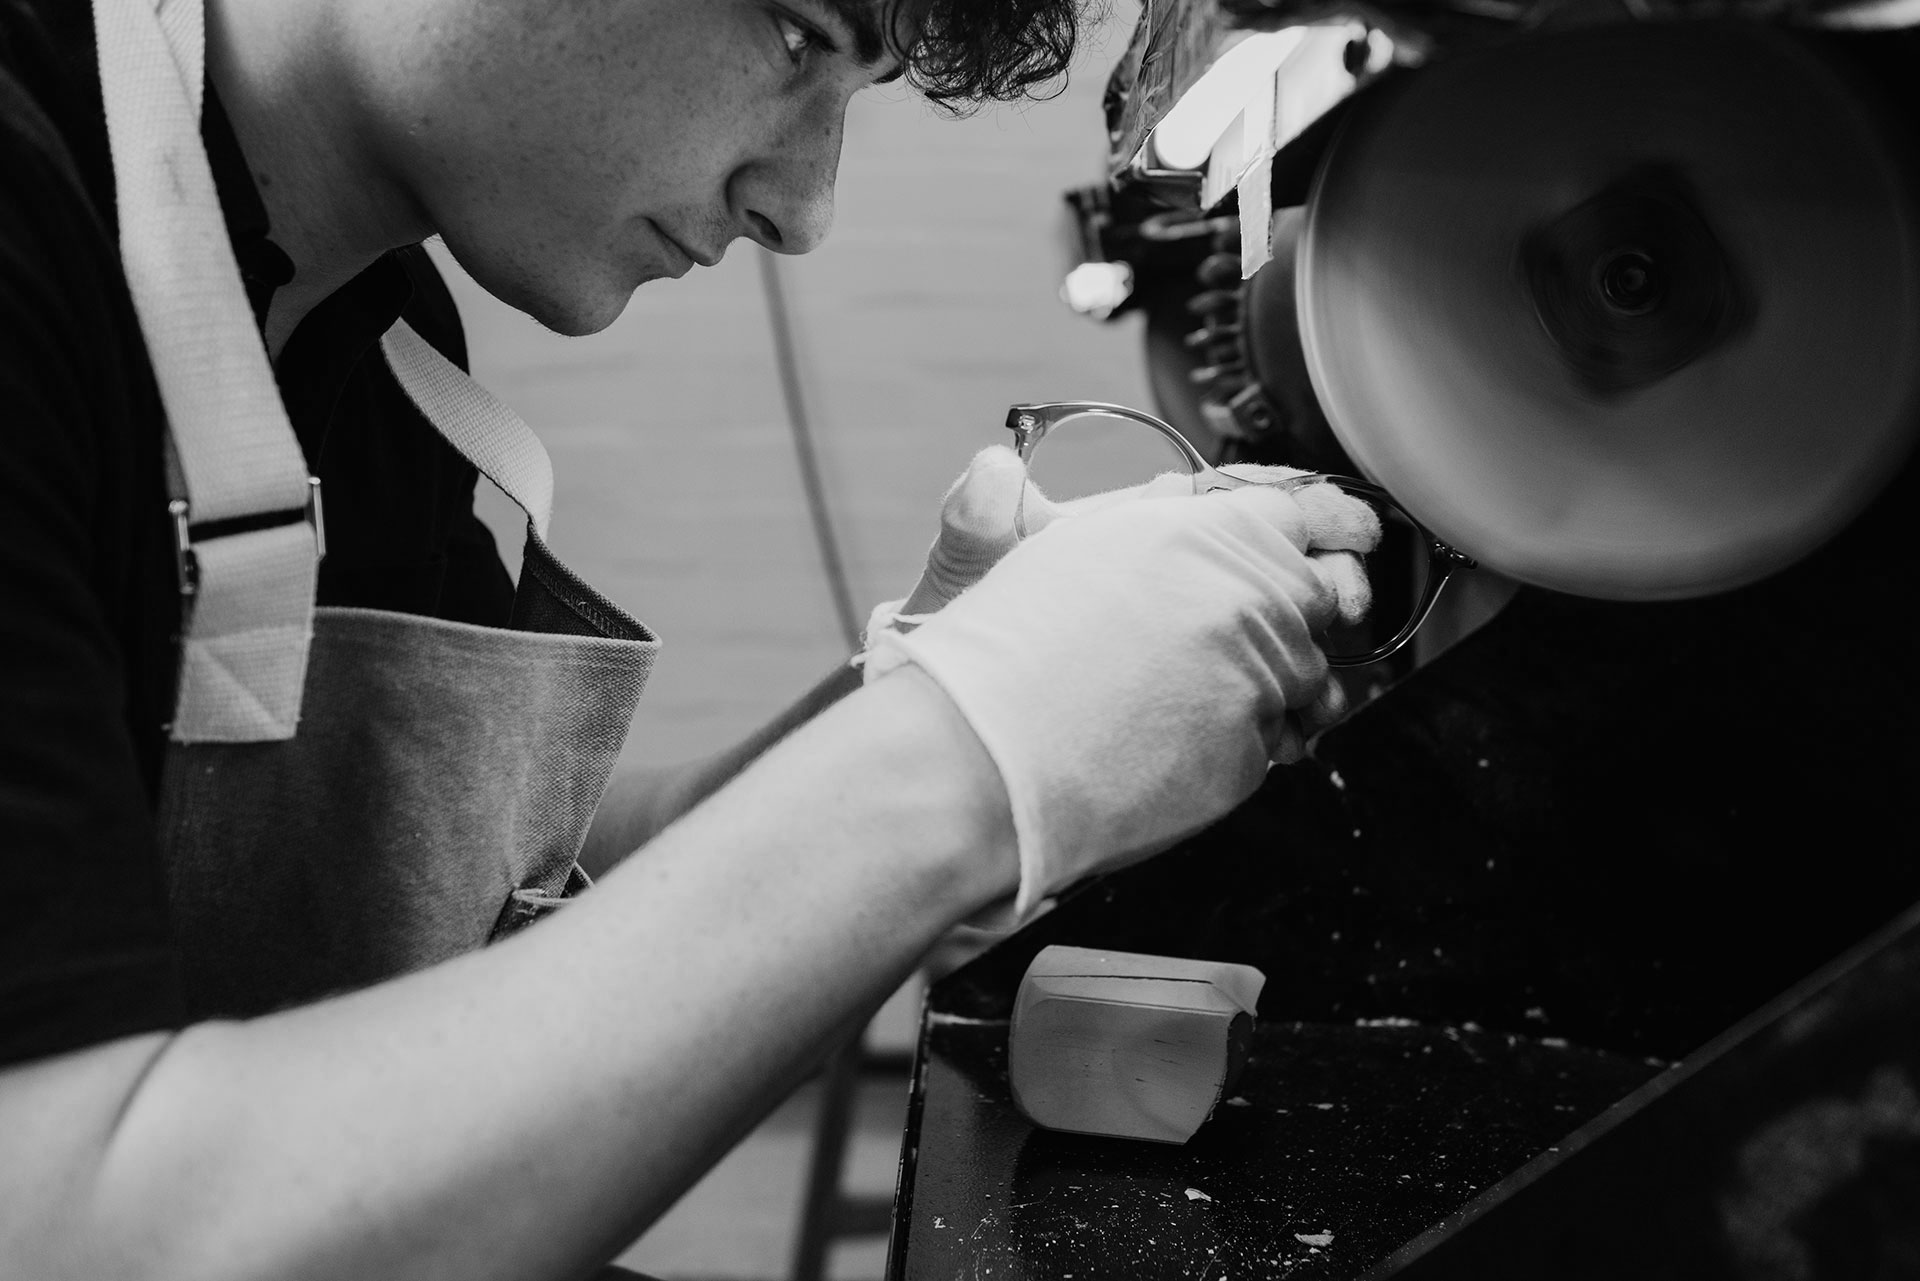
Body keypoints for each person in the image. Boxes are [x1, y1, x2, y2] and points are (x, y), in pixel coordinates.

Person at [0, 0, 1379, 1275]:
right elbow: (77, 1220)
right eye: (795, 34)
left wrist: (938, 679)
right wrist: (966, 755)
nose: (802, 206)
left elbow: (502, 927)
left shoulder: (367, 340)